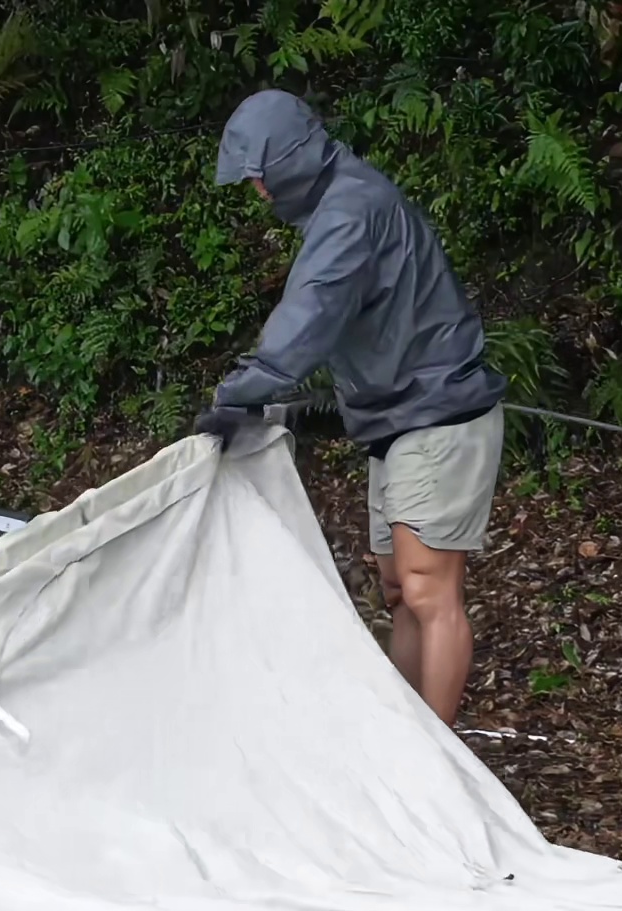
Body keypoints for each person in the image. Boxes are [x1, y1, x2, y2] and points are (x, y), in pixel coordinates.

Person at [193, 88, 508, 727]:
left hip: (437, 418)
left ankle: (437, 765)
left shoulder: (350, 211)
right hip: (394, 420)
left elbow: (307, 319)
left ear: (289, 161)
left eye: (259, 178)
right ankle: (407, 739)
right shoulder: (340, 204)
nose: (258, 195)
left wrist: (238, 394)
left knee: (429, 591)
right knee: (399, 590)